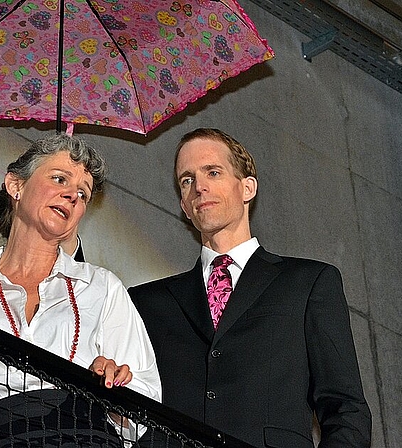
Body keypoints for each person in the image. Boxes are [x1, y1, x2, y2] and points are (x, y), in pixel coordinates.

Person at [0, 134, 161, 447]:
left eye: (83, 194)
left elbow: (146, 405)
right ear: (16, 186)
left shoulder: (102, 288)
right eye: (59, 179)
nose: (72, 196)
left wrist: (115, 387)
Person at [128, 128, 371, 447]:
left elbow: (345, 408)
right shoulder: (144, 302)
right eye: (186, 181)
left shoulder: (309, 282)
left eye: (212, 172)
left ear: (247, 187)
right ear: (184, 207)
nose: (199, 187)